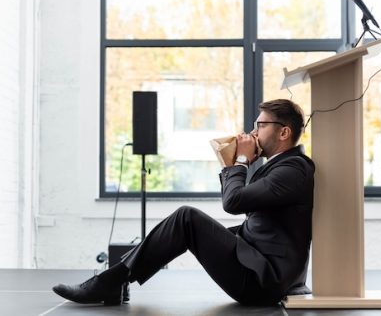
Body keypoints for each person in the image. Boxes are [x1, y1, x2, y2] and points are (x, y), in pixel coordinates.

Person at [53, 98, 315, 306]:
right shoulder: (283, 167)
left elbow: (233, 202)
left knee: (186, 218)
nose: (252, 131)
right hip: (258, 264)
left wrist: (242, 161)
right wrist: (233, 164)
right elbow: (238, 201)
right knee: (185, 223)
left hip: (263, 280)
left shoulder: (292, 170)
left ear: (283, 132)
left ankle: (110, 281)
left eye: (260, 125)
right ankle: (115, 281)